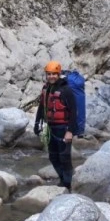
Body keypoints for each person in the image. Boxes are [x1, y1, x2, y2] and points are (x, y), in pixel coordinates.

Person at [33, 61, 77, 190]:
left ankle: (68, 183)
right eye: (49, 74)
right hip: (51, 128)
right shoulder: (46, 89)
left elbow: (74, 112)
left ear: (58, 74)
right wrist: (37, 123)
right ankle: (63, 179)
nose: (51, 76)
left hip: (63, 128)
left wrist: (70, 131)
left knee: (64, 157)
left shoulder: (66, 90)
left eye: (54, 74)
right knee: (53, 156)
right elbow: (42, 107)